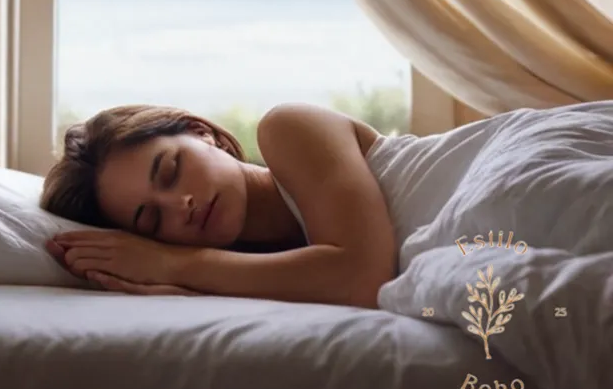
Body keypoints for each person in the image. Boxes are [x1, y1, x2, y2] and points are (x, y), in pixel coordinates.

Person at [41, 102, 397, 308]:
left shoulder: (289, 127)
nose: (182, 204)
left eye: (171, 170)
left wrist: (171, 265)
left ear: (201, 133)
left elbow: (363, 278)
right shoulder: (259, 277)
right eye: (153, 220)